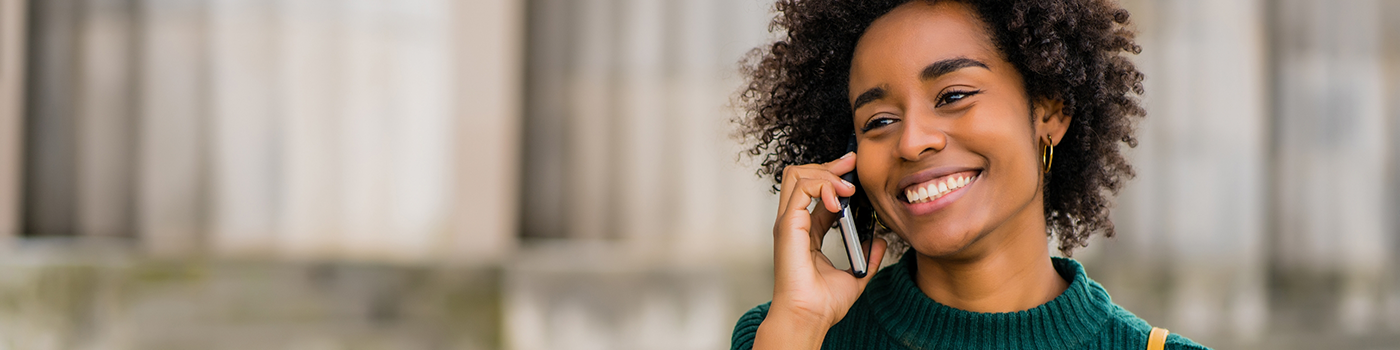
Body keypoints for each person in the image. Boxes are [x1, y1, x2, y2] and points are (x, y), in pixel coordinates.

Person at [730, 0, 1210, 349]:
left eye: (954, 95)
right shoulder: (788, 335)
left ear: (1049, 110)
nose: (913, 140)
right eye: (878, 121)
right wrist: (797, 325)